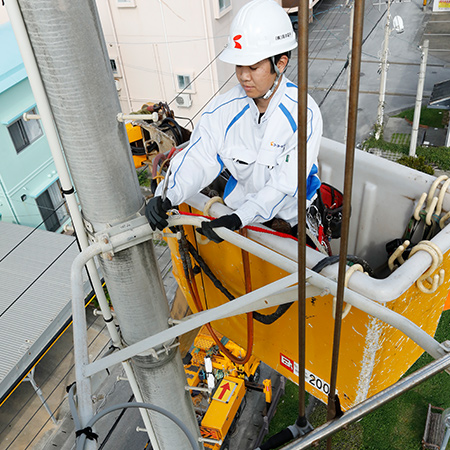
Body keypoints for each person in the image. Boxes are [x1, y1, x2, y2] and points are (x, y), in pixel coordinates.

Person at [146, 0, 323, 243]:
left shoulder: (303, 115)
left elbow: (285, 185)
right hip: (240, 214)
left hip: (291, 220)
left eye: (253, 66)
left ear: (280, 64)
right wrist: (167, 195)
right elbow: (199, 157)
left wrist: (240, 218)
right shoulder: (223, 111)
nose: (243, 76)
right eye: (239, 65)